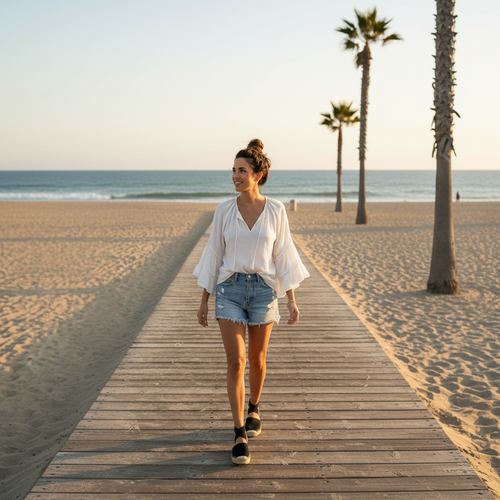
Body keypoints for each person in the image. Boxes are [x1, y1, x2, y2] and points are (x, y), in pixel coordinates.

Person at [193, 139, 309, 465]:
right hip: (229, 290)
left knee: (258, 360)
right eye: (233, 170)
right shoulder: (224, 211)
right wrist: (204, 300)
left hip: (263, 291)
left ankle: (254, 407)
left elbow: (283, 254)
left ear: (258, 175)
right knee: (237, 362)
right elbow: (213, 255)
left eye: (242, 170)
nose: (235, 176)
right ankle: (239, 431)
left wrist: (292, 301)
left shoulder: (276, 210)